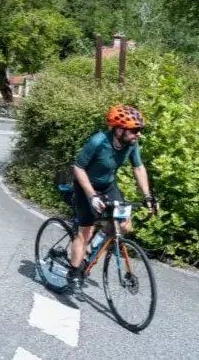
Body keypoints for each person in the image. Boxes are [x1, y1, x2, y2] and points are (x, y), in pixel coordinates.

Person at [65, 104, 158, 296]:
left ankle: (97, 241)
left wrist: (147, 195)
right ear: (119, 130)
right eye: (135, 131)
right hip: (86, 187)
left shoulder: (131, 145)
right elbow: (78, 167)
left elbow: (138, 168)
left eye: (139, 130)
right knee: (85, 232)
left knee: (125, 226)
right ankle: (74, 272)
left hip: (108, 187)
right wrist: (91, 195)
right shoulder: (98, 141)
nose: (139, 135)